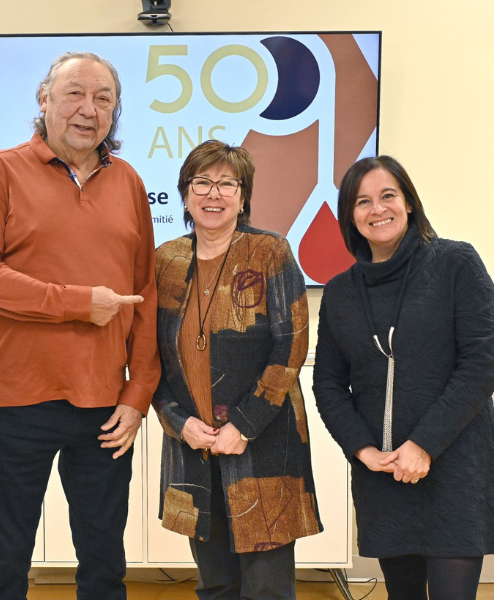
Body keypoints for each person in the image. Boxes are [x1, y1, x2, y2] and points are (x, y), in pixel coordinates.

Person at [0, 52, 159, 600]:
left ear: (114, 112)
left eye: (103, 98)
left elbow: (146, 296)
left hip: (105, 405)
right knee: (5, 559)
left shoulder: (130, 182)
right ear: (43, 99)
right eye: (74, 93)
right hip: (17, 399)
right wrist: (76, 302)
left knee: (103, 563)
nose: (87, 109)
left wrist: (137, 394)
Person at [313, 156, 494, 600]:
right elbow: (328, 384)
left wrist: (423, 446)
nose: (377, 209)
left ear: (408, 202)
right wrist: (363, 450)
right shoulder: (340, 292)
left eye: (388, 195)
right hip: (383, 474)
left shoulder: (456, 263)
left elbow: (480, 364)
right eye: (362, 201)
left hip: (454, 466)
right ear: (350, 215)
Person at [153, 140, 323, 600]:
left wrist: (243, 426)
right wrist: (177, 421)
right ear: (186, 195)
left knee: (266, 587)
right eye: (202, 182)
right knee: (215, 584)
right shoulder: (166, 260)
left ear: (243, 197)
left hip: (262, 444)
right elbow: (152, 358)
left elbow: (291, 345)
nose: (214, 193)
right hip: (194, 445)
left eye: (227, 183)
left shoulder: (271, 252)